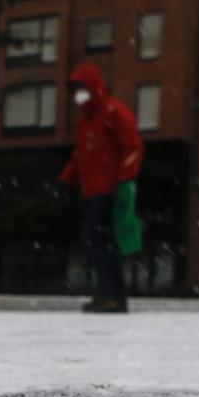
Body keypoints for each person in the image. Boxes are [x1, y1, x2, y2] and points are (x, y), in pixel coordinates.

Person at [58, 64, 144, 314]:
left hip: (108, 189)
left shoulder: (113, 112)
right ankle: (115, 297)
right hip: (95, 190)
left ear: (92, 87)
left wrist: (123, 180)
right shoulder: (87, 122)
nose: (78, 96)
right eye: (75, 91)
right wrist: (67, 179)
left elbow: (133, 147)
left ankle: (109, 294)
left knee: (95, 238)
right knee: (104, 242)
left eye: (80, 89)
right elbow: (81, 155)